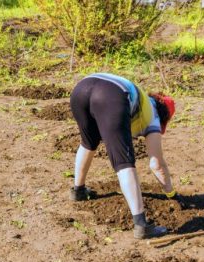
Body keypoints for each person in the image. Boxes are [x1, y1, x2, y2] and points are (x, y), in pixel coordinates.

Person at [69, 72, 177, 239]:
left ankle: (79, 191)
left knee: (88, 142)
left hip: (81, 89)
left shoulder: (143, 100)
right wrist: (171, 193)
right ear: (165, 118)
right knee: (124, 162)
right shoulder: (153, 116)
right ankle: (141, 225)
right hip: (111, 95)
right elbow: (156, 164)